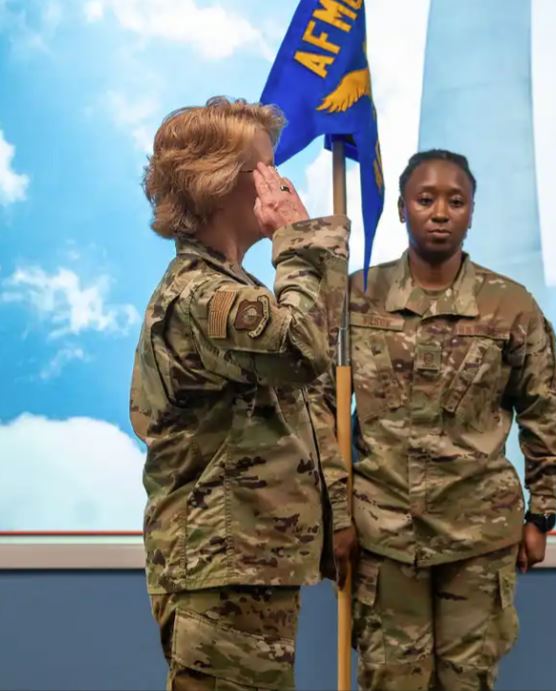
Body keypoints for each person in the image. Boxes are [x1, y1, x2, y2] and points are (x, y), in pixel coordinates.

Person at [327, 149, 556, 690]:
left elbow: (546, 409)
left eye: (455, 201)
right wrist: (335, 517)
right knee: (392, 681)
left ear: (472, 212)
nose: (440, 212)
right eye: (425, 200)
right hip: (383, 536)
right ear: (401, 209)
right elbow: (322, 413)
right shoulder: (355, 298)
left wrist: (542, 515)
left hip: (477, 536)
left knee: (469, 682)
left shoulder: (509, 306)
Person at [129, 96, 348, 690]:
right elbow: (301, 348)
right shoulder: (202, 295)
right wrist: (301, 241)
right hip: (221, 566)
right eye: (265, 168)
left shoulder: (235, 287)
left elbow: (304, 389)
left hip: (248, 560)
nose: (279, 181)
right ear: (219, 182)